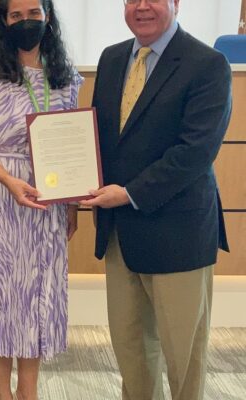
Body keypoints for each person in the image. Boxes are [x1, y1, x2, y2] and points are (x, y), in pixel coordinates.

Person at [81, 1, 231, 399]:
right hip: (120, 236)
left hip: (178, 236)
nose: (142, 6)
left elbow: (195, 152)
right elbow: (99, 136)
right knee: (132, 354)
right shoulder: (112, 59)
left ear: (176, 4)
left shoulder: (207, 64)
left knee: (184, 361)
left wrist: (129, 194)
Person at [0, 0, 82, 399]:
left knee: (37, 298)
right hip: (3, 198)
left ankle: (29, 389)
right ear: (3, 21)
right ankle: (2, 391)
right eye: (16, 15)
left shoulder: (65, 77)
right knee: (0, 297)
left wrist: (74, 203)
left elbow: (73, 147)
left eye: (34, 14)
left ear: (48, 17)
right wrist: (10, 181)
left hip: (50, 204)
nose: (26, 22)